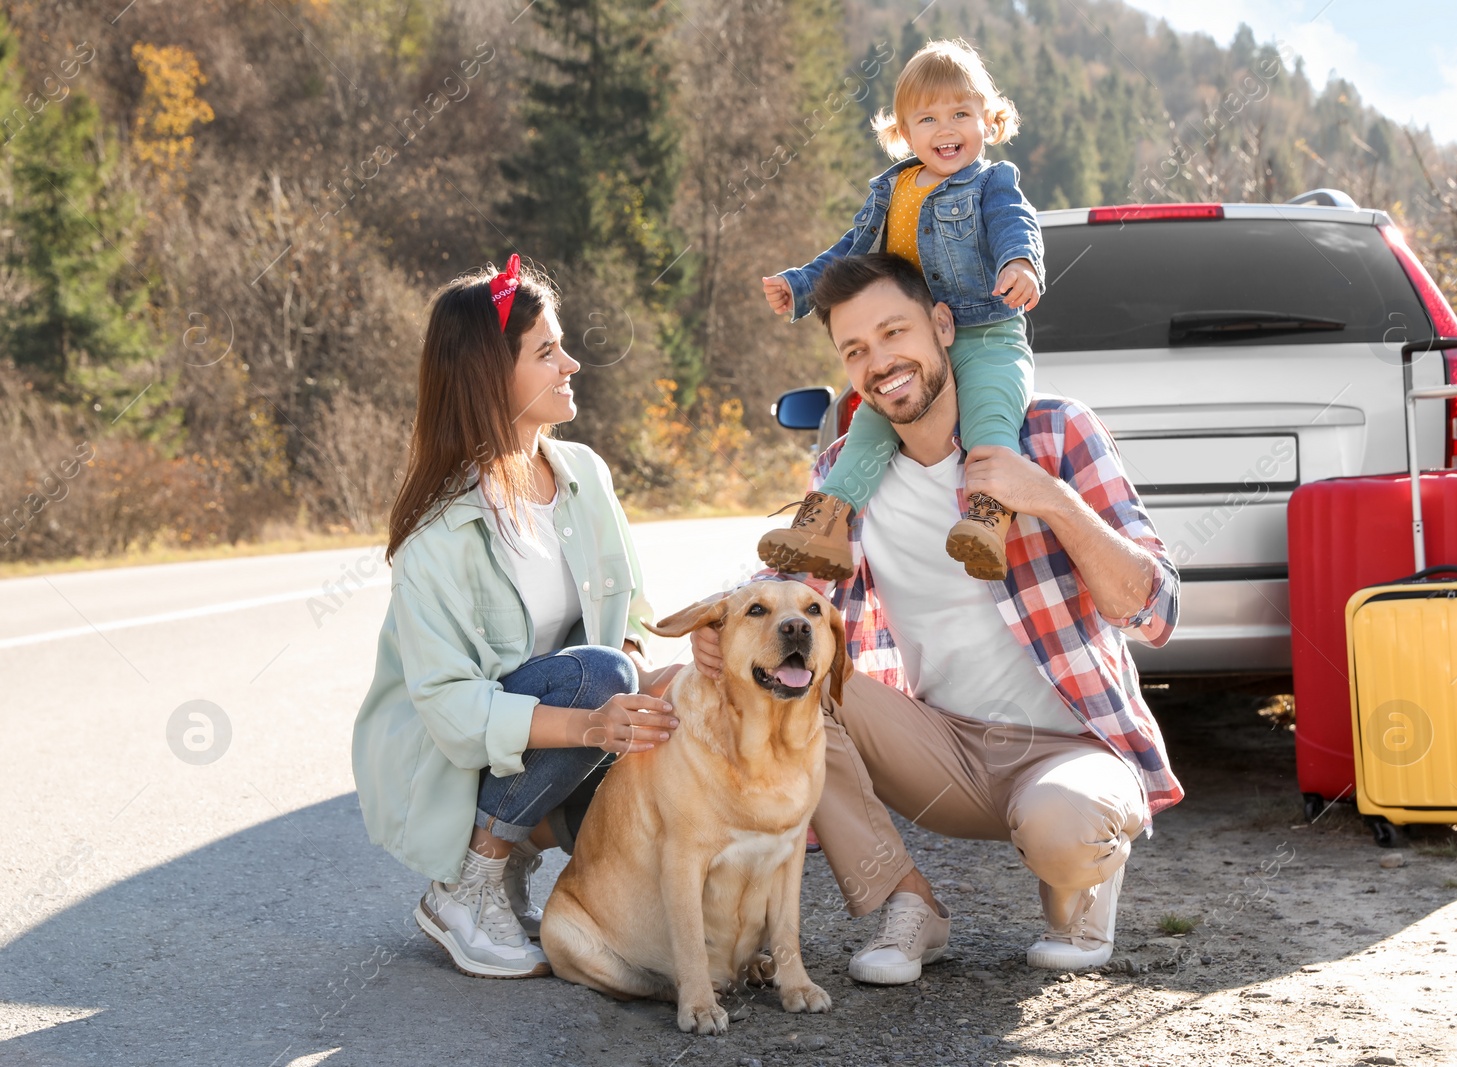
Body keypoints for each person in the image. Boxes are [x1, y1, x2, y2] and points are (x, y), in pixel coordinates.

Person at [695, 254, 1183, 983]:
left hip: (1071, 748)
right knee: (786, 685)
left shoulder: (1053, 430)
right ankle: (909, 904)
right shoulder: (844, 472)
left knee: (1063, 826)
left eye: (895, 333)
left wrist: (1046, 497)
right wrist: (711, 634)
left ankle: (1081, 880)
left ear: (944, 326)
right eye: (855, 350)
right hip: (939, 748)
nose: (879, 363)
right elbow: (783, 590)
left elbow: (1155, 609)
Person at [352, 256, 682, 979]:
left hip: (557, 732)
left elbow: (629, 608)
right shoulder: (440, 531)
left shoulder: (584, 474)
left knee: (646, 694)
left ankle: (516, 867)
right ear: (488, 377)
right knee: (603, 675)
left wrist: (667, 685)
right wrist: (598, 722)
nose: (570, 362)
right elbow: (450, 708)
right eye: (545, 351)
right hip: (451, 760)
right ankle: (467, 880)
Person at [758, 38, 1045, 584]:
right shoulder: (893, 190)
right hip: (916, 343)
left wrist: (1021, 265)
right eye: (928, 118)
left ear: (988, 119)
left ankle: (987, 520)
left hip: (986, 333)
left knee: (990, 419)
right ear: (905, 133)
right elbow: (851, 251)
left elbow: (1015, 223)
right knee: (871, 425)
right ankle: (828, 524)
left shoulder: (991, 182)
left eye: (961, 114)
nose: (946, 130)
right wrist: (800, 287)